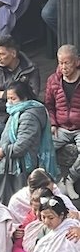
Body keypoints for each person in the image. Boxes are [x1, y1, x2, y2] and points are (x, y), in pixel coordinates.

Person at [0, 79, 57, 201]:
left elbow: (21, 146)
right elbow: (6, 137)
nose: (9, 102)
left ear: (24, 98)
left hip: (22, 166)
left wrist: (3, 151)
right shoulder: (16, 113)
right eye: (8, 98)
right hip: (10, 163)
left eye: (13, 98)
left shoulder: (29, 116)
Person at [0, 35, 40, 152]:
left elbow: (32, 98)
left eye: (2, 54)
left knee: (22, 145)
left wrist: (3, 95)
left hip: (23, 117)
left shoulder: (30, 69)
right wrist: (15, 100)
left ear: (13, 53)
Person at [45, 45, 80, 193]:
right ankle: (58, 180)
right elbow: (49, 105)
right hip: (61, 127)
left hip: (79, 128)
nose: (64, 67)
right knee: (43, 148)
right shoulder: (53, 80)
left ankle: (70, 179)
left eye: (67, 63)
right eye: (61, 63)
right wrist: (53, 123)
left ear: (77, 62)